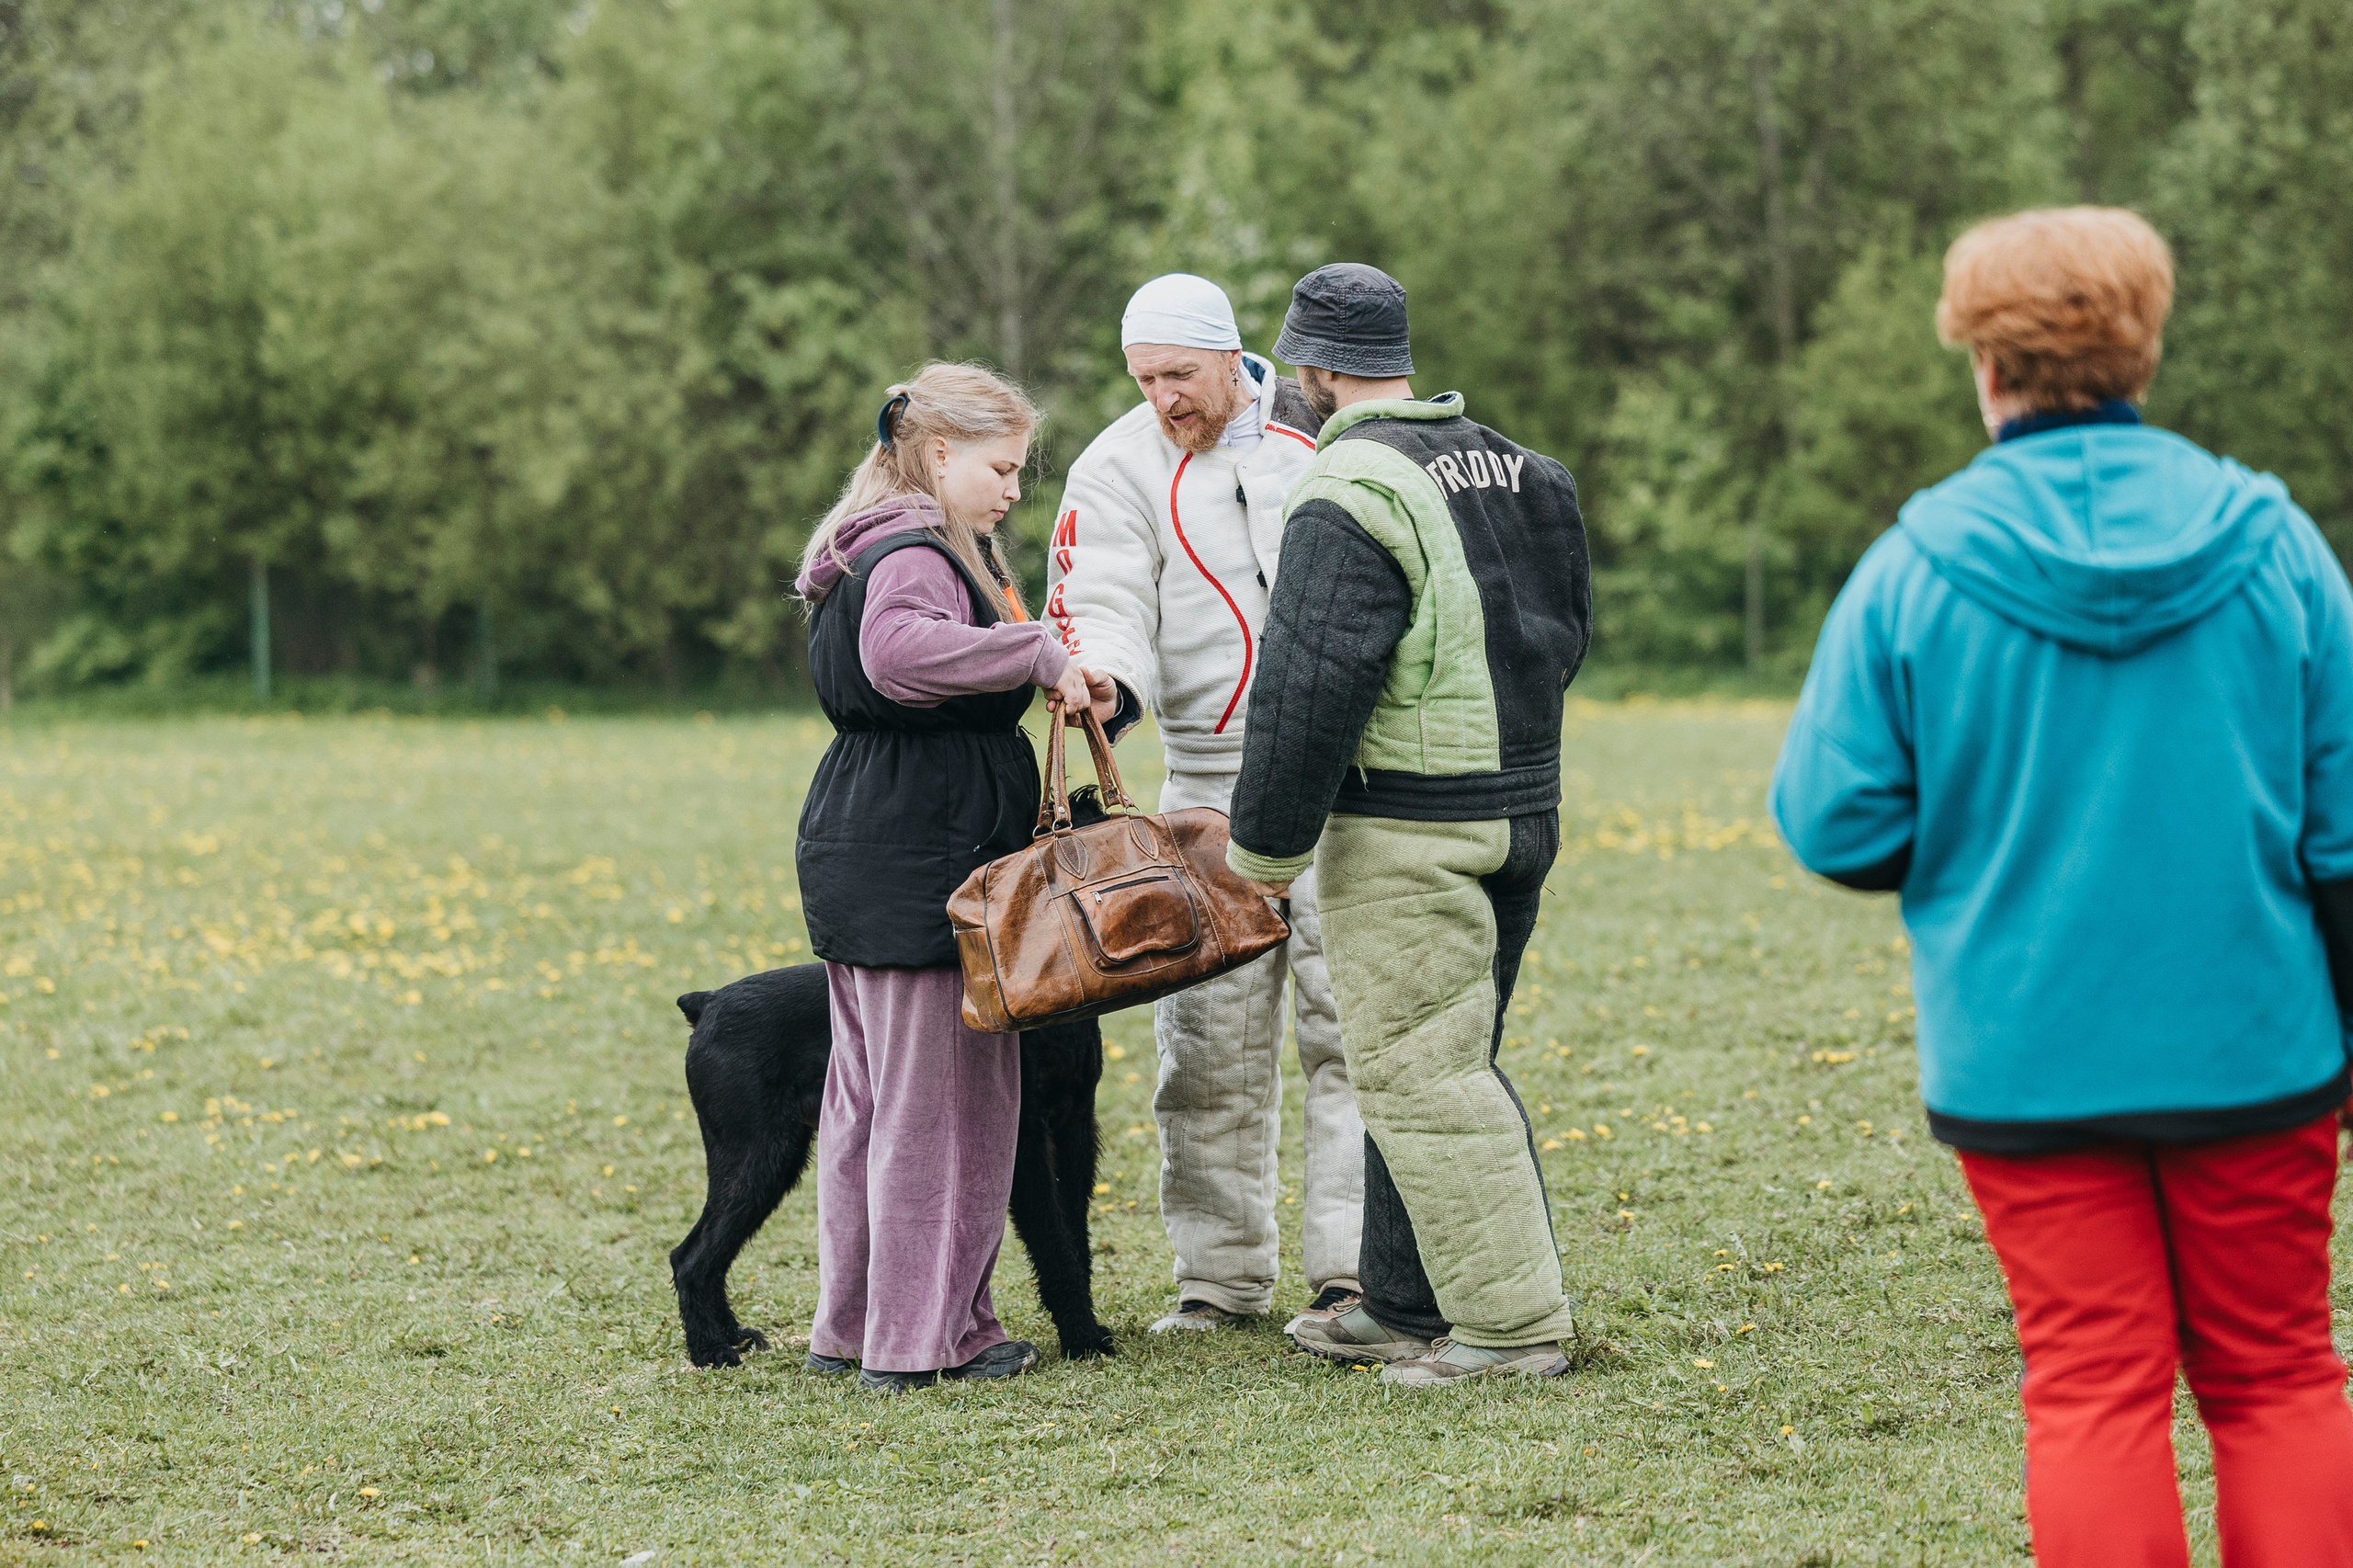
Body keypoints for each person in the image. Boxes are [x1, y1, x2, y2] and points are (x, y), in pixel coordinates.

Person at [1770, 207, 2353, 1566]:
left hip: (2027, 1052)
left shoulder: (1915, 563)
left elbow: (1836, 822)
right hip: (2257, 1039)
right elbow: (2343, 833)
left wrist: (1986, 834)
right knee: (2278, 1380)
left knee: (2094, 1388)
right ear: (2144, 344)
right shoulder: (2276, 543)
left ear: (1984, 363)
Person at [1223, 263, 1593, 1385]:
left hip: (1412, 825)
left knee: (1421, 1072)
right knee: (1431, 1057)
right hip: (1520, 805)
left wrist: (1262, 855)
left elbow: (1309, 684)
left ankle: (1513, 1327)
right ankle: (1401, 1298)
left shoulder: (1348, 485)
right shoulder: (1524, 468)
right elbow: (1564, 630)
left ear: (1313, 370)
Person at [1044, 272, 1364, 1335]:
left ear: (1234, 357)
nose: (1162, 399)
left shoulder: (1330, 436)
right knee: (1206, 1049)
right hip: (1206, 789)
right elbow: (1100, 595)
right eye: (1142, 380)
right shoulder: (1114, 464)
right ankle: (1217, 1281)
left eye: (1178, 374)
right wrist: (1104, 680)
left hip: (1349, 789)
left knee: (1348, 1034)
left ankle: (1352, 1270)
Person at [793, 361, 1113, 1394]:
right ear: (938, 454)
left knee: (870, 1106)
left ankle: (854, 1323)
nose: (1014, 489)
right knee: (946, 1110)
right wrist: (1030, 652)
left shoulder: (859, 539)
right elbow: (896, 654)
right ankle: (929, 1337)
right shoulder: (918, 550)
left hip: (864, 843)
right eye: (1001, 466)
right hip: (927, 855)